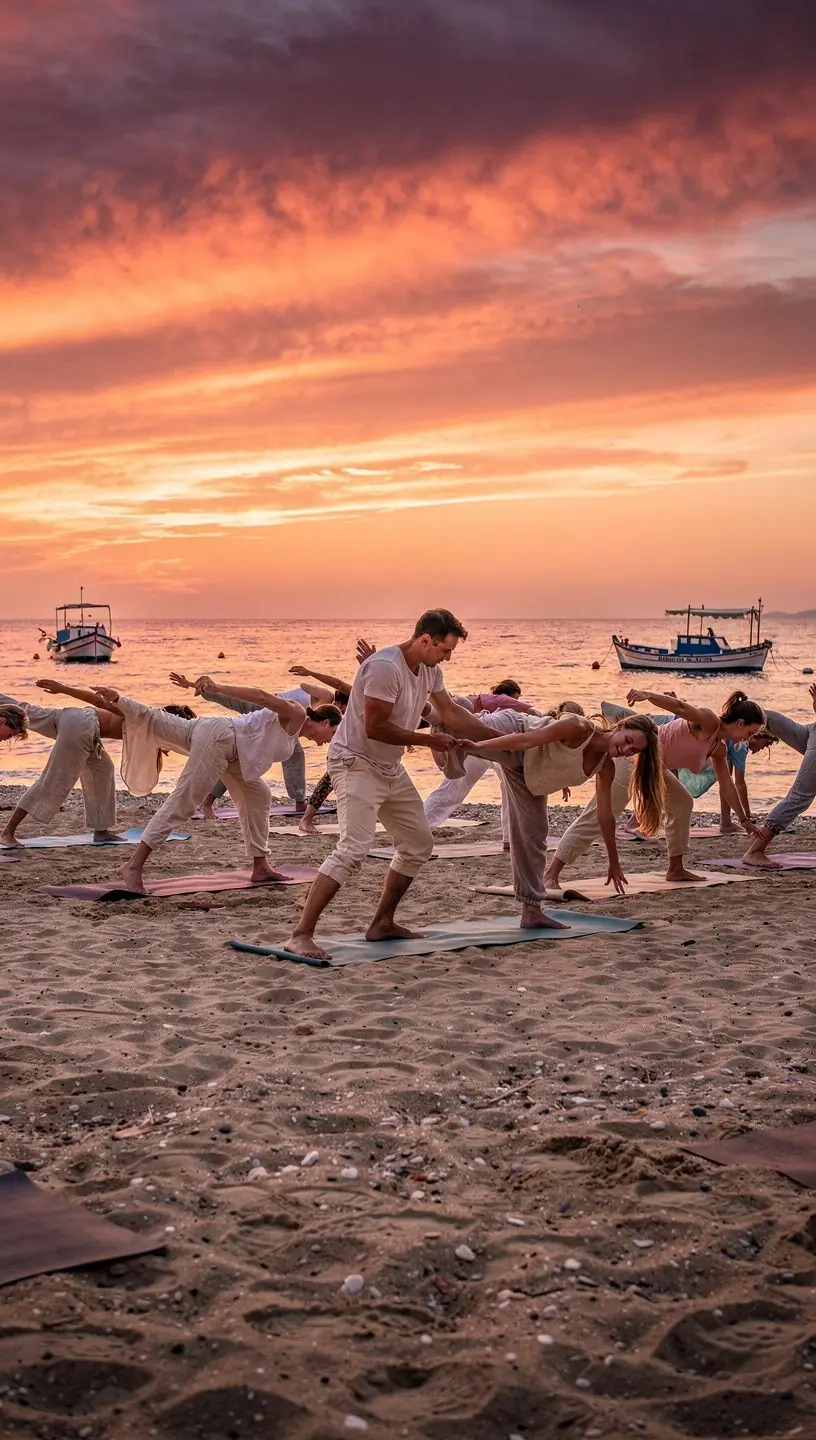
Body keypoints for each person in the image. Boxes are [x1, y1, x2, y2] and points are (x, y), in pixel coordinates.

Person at [284, 608, 490, 962]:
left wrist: (499, 740)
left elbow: (451, 714)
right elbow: (374, 728)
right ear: (426, 640)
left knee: (418, 843)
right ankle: (300, 934)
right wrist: (430, 743)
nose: (448, 657)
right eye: (445, 650)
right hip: (354, 762)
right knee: (353, 849)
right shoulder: (384, 667)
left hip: (388, 765)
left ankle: (382, 923)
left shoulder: (430, 670)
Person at [82, 682, 341, 893]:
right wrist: (217, 688)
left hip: (230, 749)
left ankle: (260, 866)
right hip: (222, 738)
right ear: (325, 723)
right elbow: (261, 695)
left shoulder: (294, 732)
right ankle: (133, 865)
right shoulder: (296, 713)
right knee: (186, 799)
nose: (323, 744)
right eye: (329, 738)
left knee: (259, 795)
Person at [446, 707, 664, 925]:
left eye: (632, 751)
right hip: (515, 731)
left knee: (535, 833)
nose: (625, 750)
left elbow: (605, 816)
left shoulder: (605, 767)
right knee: (462, 732)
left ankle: (531, 912)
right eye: (627, 740)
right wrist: (479, 747)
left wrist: (614, 862)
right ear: (620, 725)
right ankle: (439, 711)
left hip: (527, 773)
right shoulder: (578, 727)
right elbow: (524, 740)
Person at [546, 688, 765, 890]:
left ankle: (676, 868)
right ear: (740, 723)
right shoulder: (709, 721)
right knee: (598, 815)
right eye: (750, 732)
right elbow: (680, 708)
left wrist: (745, 821)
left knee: (682, 803)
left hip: (655, 767)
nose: (749, 739)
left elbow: (726, 787)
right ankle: (551, 874)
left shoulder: (718, 748)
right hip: (631, 757)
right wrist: (647, 695)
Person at [0, 682, 194, 848]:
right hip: (83, 725)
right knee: (54, 779)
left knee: (103, 770)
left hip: (75, 720)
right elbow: (99, 702)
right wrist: (63, 688)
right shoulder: (144, 715)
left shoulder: (154, 729)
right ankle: (8, 832)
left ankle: (101, 830)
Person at [742, 683, 816, 866]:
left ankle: (756, 849)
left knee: (799, 797)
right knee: (767, 717)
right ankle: (755, 851)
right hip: (812, 731)